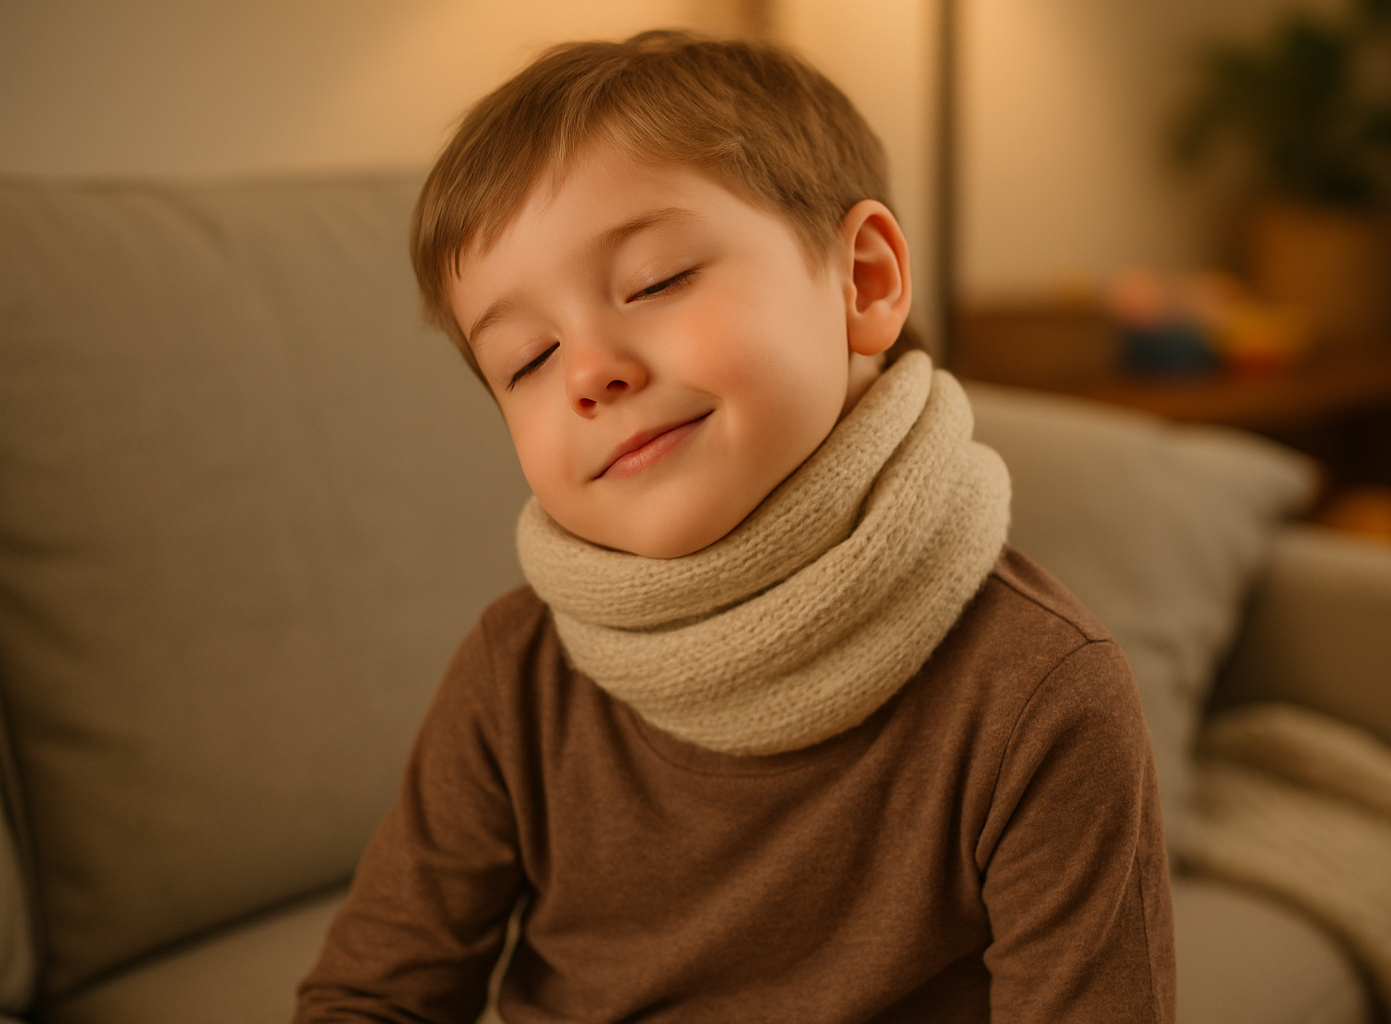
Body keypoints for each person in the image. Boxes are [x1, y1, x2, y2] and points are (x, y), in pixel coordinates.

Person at [294, 29, 1174, 1023]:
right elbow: (372, 1001)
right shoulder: (517, 675)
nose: (590, 372)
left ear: (866, 282)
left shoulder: (1043, 694)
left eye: (658, 281)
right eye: (528, 359)